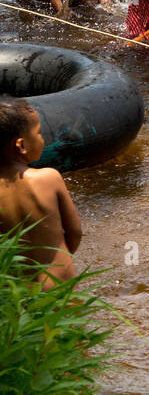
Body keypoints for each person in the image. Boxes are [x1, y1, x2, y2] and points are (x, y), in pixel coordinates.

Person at [0, 99, 82, 286]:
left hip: (18, 290)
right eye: (38, 133)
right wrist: (62, 259)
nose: (42, 138)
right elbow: (75, 232)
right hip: (61, 283)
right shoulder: (48, 178)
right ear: (21, 146)